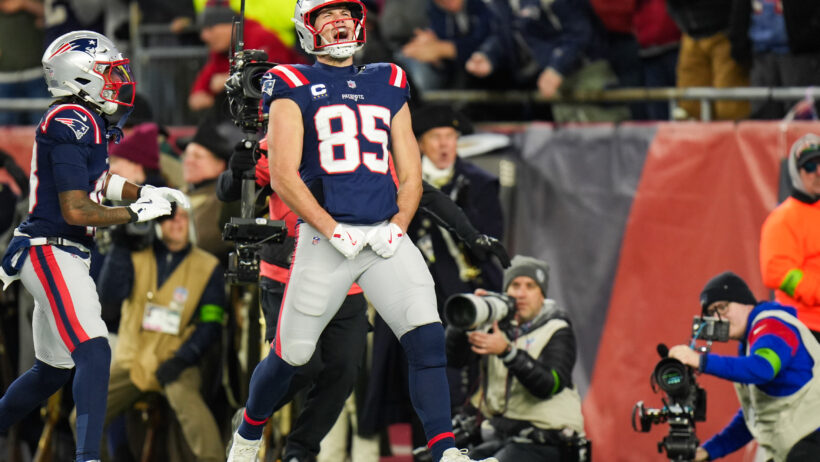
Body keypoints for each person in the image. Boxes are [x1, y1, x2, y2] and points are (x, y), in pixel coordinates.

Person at [224, 1, 497, 461]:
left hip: (383, 235)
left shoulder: (388, 79)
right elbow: (285, 175)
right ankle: (249, 432)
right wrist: (331, 229)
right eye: (325, 17)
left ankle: (445, 451)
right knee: (292, 355)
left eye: (344, 15)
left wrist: (400, 225)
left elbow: (411, 172)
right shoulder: (292, 81)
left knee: (427, 337)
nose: (338, 23)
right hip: (327, 239)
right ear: (306, 29)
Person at [217, 132, 509, 461]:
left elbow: (418, 191)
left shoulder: (368, 132)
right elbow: (232, 189)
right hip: (288, 274)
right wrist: (235, 172)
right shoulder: (291, 127)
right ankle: (253, 418)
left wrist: (469, 233)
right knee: (302, 364)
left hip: (351, 276)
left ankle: (301, 451)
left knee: (343, 372)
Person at [0, 30, 186, 462]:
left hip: (60, 249)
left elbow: (99, 183)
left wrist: (144, 192)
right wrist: (136, 214)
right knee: (95, 351)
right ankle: (88, 458)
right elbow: (77, 210)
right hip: (50, 247)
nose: (120, 78)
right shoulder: (72, 119)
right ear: (80, 76)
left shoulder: (86, 120)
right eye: (109, 70)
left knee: (53, 371)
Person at [97, 205, 226, 462]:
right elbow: (109, 302)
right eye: (168, 217)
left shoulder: (209, 266)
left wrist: (184, 358)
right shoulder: (134, 256)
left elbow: (211, 324)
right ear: (157, 223)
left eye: (182, 217)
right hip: (130, 359)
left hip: (175, 359)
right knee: (83, 416)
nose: (176, 223)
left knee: (193, 412)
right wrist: (119, 248)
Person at [445, 256, 586, 462]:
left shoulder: (557, 329)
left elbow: (549, 384)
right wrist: (467, 319)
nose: (521, 294)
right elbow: (454, 359)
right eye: (515, 285)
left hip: (548, 440)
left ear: (542, 295)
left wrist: (507, 352)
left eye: (530, 286)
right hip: (506, 437)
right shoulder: (496, 325)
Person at [669, 271, 820, 461]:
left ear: (746, 302)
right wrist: (709, 451)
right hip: (799, 443)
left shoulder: (772, 324)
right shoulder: (749, 343)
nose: (718, 318)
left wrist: (700, 361)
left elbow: (764, 367)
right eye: (711, 313)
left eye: (722, 307)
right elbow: (754, 417)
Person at [409, 104, 504, 313]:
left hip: (466, 284)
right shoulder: (403, 180)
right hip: (414, 284)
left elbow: (491, 239)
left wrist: (466, 210)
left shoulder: (480, 182)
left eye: (450, 136)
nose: (444, 145)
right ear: (421, 143)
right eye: (435, 137)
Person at [188, 0, 304, 111]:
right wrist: (201, 91)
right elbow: (207, 78)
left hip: (298, 97)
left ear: (230, 26)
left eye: (210, 29)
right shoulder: (222, 48)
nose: (204, 36)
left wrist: (231, 79)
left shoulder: (259, 37)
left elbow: (273, 75)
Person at [760, 134, 820, 342]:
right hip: (804, 329)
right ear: (797, 172)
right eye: (810, 166)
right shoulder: (782, 219)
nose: (818, 171)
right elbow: (777, 273)